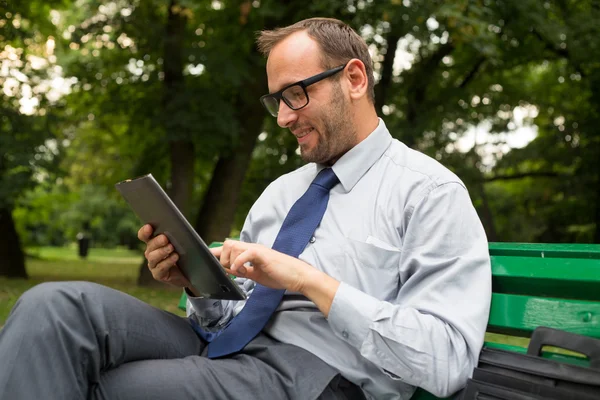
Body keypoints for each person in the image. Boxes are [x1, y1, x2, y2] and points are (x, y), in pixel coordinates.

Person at [0, 18, 491, 400]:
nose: (283, 117)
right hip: (234, 352)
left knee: (113, 389)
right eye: (276, 100)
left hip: (321, 378)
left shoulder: (429, 193)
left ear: (355, 79)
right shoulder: (282, 192)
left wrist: (308, 280)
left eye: (297, 94)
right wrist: (195, 280)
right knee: (53, 308)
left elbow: (446, 361)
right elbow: (231, 318)